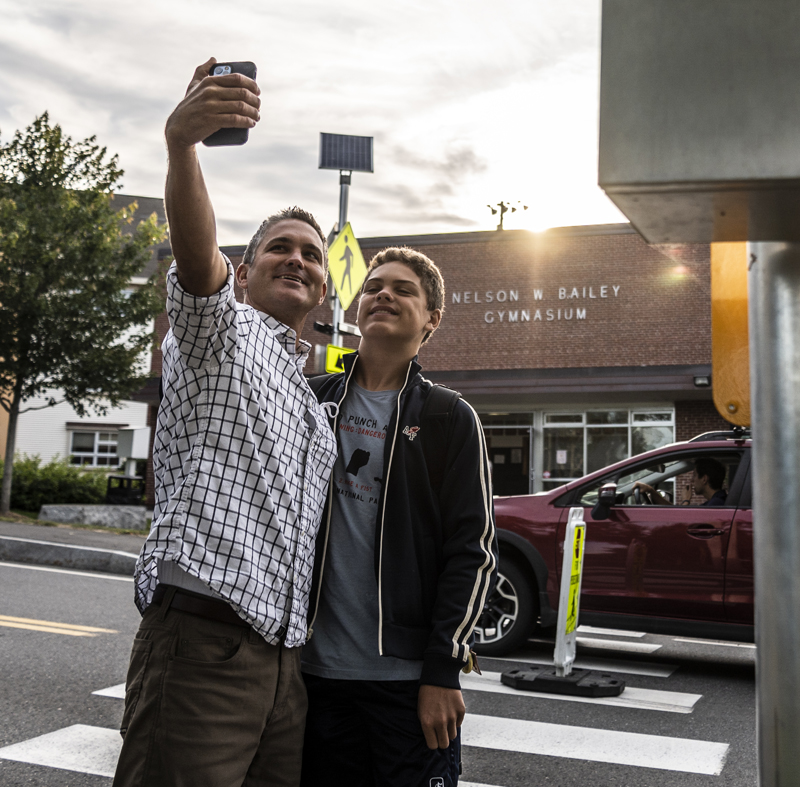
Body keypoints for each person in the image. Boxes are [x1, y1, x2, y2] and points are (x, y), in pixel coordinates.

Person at [112, 58, 337, 787]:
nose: (296, 259)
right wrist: (182, 147)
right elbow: (194, 251)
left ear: (326, 290)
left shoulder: (315, 408)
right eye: (279, 247)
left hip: (283, 668)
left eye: (311, 253)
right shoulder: (221, 334)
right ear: (244, 272)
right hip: (202, 646)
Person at [301, 247, 498, 787]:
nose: (382, 294)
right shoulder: (312, 400)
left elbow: (472, 551)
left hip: (406, 684)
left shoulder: (448, 418)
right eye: (373, 286)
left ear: (431, 319)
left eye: (403, 289)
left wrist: (443, 671)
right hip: (310, 677)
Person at [634, 457, 728, 506]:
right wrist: (651, 491)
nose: (692, 480)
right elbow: (675, 512)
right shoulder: (715, 501)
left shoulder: (716, 504)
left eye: (694, 475)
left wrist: (686, 501)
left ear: (704, 479)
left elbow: (686, 523)